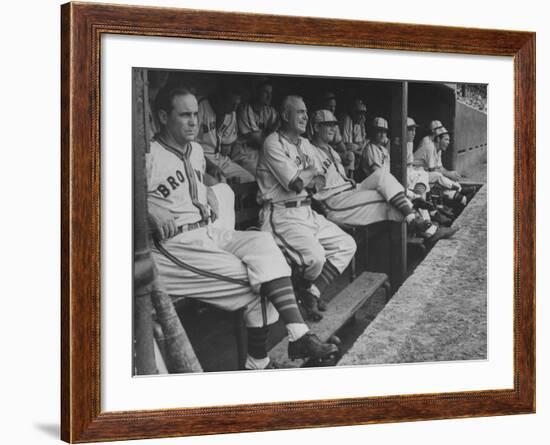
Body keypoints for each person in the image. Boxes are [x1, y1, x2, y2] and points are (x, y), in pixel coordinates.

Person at [147, 87, 338, 370]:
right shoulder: (147, 153)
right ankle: (260, 362)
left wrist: (209, 187)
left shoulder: (196, 150)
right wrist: (145, 204)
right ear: (163, 116)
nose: (193, 122)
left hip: (208, 233)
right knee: (260, 284)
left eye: (196, 115)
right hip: (174, 246)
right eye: (184, 115)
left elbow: (197, 178)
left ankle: (295, 337)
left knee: (262, 243)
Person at [256, 96, 356, 321]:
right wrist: (308, 174)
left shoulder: (305, 144)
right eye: (299, 112)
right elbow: (296, 184)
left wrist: (307, 176)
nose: (304, 117)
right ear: (285, 116)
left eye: (305, 112)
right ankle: (301, 295)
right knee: (315, 257)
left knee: (346, 244)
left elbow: (318, 183)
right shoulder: (273, 143)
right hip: (280, 214)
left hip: (306, 210)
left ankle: (311, 292)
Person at [308, 111, 457, 244]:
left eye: (334, 125)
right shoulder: (308, 150)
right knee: (391, 201)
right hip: (333, 200)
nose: (333, 128)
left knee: (383, 176)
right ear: (315, 127)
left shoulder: (332, 151)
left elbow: (345, 154)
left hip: (350, 190)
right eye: (328, 125)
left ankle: (417, 213)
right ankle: (426, 226)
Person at [196, 87, 255, 183]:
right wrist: (210, 165)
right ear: (220, 98)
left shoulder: (231, 113)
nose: (234, 109)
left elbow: (225, 149)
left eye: (237, 104)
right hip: (200, 159)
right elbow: (188, 147)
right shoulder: (201, 105)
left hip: (220, 159)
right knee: (218, 184)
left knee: (249, 179)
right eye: (231, 104)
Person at [414, 125, 469, 207]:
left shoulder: (439, 150)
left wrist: (450, 174)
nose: (448, 142)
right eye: (446, 139)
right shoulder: (430, 147)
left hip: (424, 173)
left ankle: (460, 198)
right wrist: (448, 174)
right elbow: (433, 170)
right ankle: (460, 190)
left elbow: (440, 168)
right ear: (438, 139)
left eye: (449, 140)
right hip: (415, 173)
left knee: (442, 180)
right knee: (438, 177)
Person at [233, 79, 280, 175]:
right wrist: (273, 129)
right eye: (265, 92)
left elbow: (280, 130)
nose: (269, 96)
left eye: (271, 93)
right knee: (261, 172)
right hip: (244, 152)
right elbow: (258, 140)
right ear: (256, 92)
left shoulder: (269, 111)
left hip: (260, 150)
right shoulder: (246, 109)